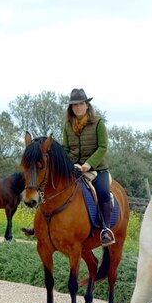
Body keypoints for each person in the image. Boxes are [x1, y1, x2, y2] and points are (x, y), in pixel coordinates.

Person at [63, 88, 115, 246]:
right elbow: (66, 149)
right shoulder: (67, 126)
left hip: (97, 169)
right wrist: (70, 164)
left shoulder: (98, 123)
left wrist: (88, 164)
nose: (78, 107)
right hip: (74, 168)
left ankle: (105, 230)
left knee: (103, 192)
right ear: (71, 108)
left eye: (81, 104)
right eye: (75, 105)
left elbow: (102, 147)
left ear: (87, 105)